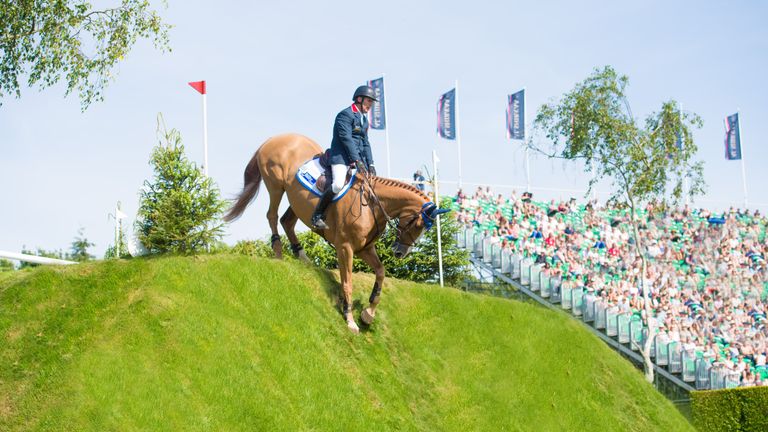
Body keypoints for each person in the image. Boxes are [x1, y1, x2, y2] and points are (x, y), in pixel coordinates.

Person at [312, 85, 378, 230]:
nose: (370, 105)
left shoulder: (364, 121)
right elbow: (346, 139)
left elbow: (365, 143)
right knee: (338, 184)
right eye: (368, 101)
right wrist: (357, 160)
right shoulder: (345, 115)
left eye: (371, 103)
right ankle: (317, 216)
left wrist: (371, 164)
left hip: (356, 159)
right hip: (340, 157)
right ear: (359, 99)